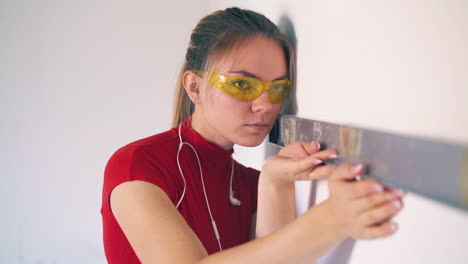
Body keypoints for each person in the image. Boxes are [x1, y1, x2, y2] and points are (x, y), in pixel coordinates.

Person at [101, 7, 404, 264]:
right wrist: (332, 220)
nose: (264, 105)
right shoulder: (138, 166)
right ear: (194, 87)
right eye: (243, 85)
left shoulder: (248, 183)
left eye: (277, 89)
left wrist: (274, 181)